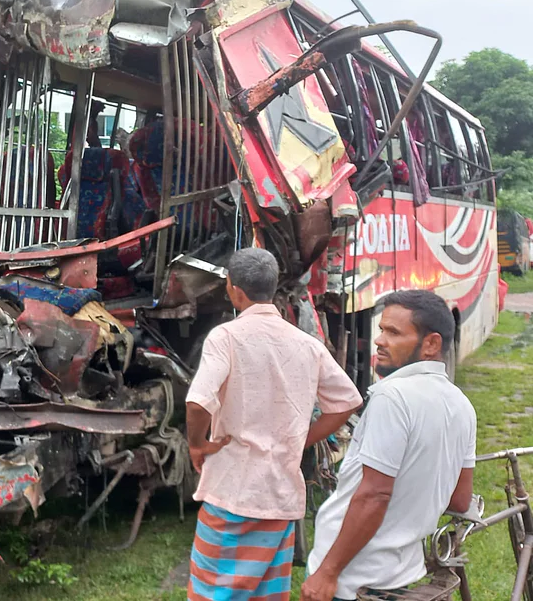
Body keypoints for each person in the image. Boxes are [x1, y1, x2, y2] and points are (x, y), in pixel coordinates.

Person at [186, 248, 363, 601]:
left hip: (232, 494)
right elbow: (347, 402)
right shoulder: (305, 344)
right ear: (273, 287)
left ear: (232, 289)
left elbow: (198, 401)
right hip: (280, 498)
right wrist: (301, 440)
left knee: (211, 593)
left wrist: (197, 443)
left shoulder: (226, 337)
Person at [302, 290, 477, 601]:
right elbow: (460, 500)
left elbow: (374, 495)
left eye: (393, 332)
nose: (379, 340)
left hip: (352, 578)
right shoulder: (461, 404)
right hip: (400, 574)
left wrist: (328, 572)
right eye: (381, 329)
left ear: (431, 344)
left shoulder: (392, 397)